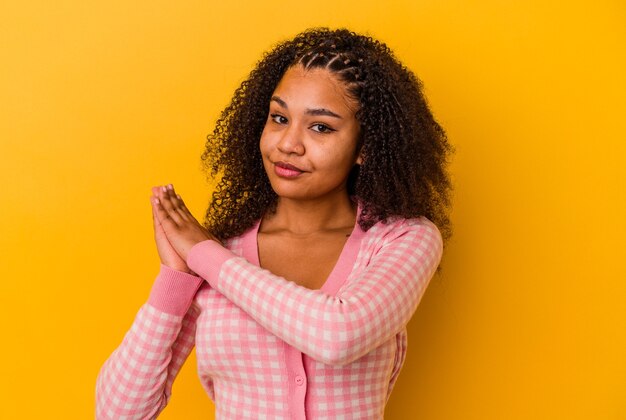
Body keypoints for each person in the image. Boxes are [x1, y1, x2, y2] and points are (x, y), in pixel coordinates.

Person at [96, 27, 453, 419]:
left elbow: (338, 336)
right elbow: (118, 412)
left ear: (364, 148)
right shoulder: (217, 252)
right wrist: (176, 275)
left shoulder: (403, 239)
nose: (288, 143)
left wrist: (205, 257)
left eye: (320, 127)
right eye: (279, 118)